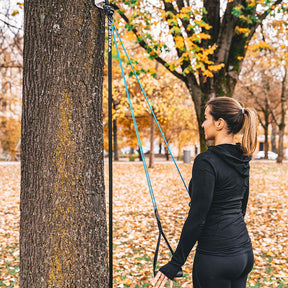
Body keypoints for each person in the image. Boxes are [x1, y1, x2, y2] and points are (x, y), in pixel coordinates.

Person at [152, 97, 258, 288]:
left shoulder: (206, 161)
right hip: (243, 253)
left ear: (219, 123)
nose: (202, 123)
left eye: (206, 118)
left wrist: (175, 263)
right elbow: (241, 207)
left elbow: (197, 217)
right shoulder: (242, 157)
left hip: (216, 259)